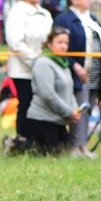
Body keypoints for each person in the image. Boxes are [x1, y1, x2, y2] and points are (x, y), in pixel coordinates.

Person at [54, 0, 101, 159]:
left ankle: (83, 145)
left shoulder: (92, 19)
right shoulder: (64, 19)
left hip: (95, 73)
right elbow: (60, 47)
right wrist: (75, 66)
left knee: (88, 110)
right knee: (78, 110)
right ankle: (74, 147)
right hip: (77, 74)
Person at [5, 0, 53, 145]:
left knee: (42, 103)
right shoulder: (17, 12)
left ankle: (40, 138)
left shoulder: (45, 14)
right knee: (26, 102)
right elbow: (15, 42)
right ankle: (23, 138)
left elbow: (50, 40)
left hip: (44, 67)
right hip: (23, 69)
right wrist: (35, 61)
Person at [26, 27, 81, 155]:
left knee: (65, 155)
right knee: (50, 155)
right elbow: (48, 95)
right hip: (42, 120)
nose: (63, 46)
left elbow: (69, 90)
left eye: (66, 43)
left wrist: (75, 110)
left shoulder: (64, 64)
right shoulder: (43, 63)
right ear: (50, 44)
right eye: (59, 42)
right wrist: (68, 112)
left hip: (58, 120)